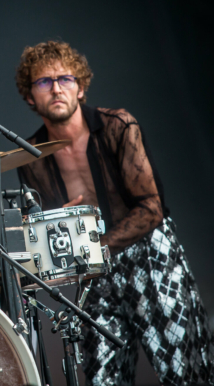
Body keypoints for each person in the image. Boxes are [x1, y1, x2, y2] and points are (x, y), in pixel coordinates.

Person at [14, 41, 213, 385]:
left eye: (65, 78)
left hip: (150, 258)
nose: (57, 87)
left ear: (81, 88)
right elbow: (50, 237)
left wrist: (98, 246)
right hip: (95, 276)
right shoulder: (31, 158)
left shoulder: (119, 126)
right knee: (102, 378)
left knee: (182, 371)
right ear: (30, 96)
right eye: (44, 81)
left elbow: (151, 208)